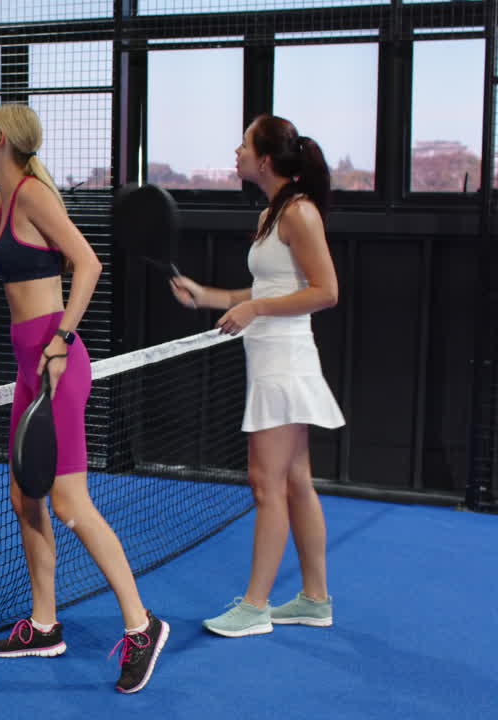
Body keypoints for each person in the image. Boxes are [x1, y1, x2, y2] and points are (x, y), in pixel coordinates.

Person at [0, 105, 167, 693]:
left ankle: (141, 626)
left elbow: (88, 262)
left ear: (1, 139)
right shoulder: (8, 201)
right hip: (31, 368)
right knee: (24, 496)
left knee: (69, 503)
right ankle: (43, 624)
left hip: (57, 363)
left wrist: (60, 340)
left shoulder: (32, 195)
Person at [169, 114, 344, 637]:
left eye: (243, 144)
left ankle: (255, 607)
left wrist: (256, 313)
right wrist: (211, 297)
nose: (236, 152)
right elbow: (267, 289)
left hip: (286, 362)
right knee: (294, 481)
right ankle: (315, 599)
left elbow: (326, 291)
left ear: (265, 159)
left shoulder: (300, 213)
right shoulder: (275, 211)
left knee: (265, 484)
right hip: (270, 356)